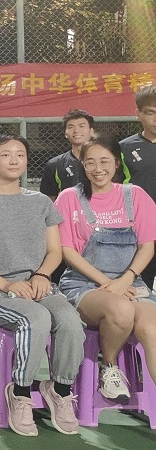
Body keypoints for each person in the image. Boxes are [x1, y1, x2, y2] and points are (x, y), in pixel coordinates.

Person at [0, 134, 82, 436]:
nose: (14, 160)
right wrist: (6, 284)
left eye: (20, 155)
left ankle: (60, 390)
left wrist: (41, 276)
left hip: (37, 286)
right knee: (35, 318)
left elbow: (55, 251)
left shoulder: (41, 202)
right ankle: (21, 392)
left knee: (70, 320)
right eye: (5, 154)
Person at [56, 137, 156, 402]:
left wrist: (126, 280)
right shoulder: (70, 198)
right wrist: (109, 284)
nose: (98, 169)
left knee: (152, 328)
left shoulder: (135, 195)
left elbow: (147, 246)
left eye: (104, 161)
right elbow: (66, 251)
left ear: (117, 163)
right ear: (83, 165)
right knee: (121, 310)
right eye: (90, 162)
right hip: (84, 284)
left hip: (131, 284)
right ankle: (108, 366)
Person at [119, 86, 156, 287]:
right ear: (138, 114)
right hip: (138, 228)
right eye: (150, 113)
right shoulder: (124, 148)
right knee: (141, 285)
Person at [40, 110, 96, 202]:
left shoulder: (106, 161)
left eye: (81, 126)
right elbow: (49, 200)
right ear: (65, 133)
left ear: (91, 131)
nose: (76, 131)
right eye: (71, 127)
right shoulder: (54, 164)